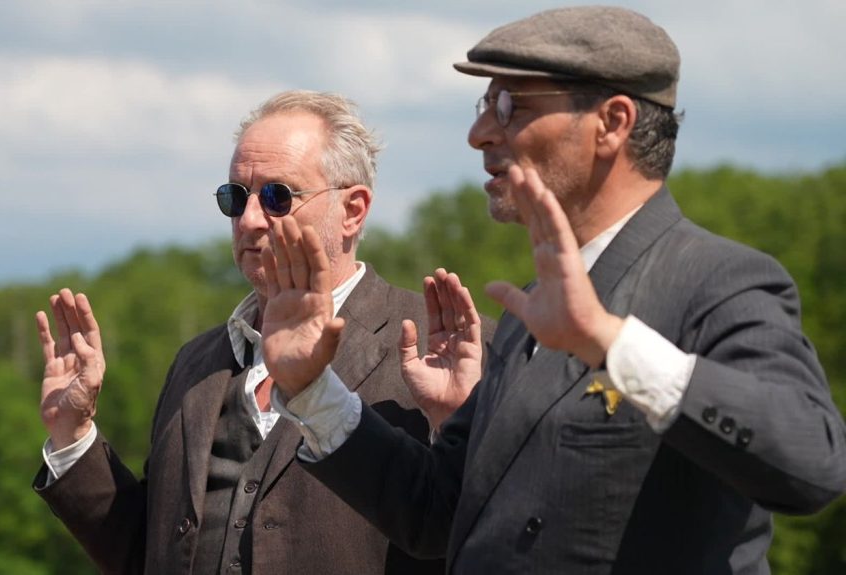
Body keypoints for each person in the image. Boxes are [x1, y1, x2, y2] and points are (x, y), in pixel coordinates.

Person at [261, 6, 846, 574]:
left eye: (511, 105)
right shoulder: (529, 316)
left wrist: (612, 343)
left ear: (612, 123)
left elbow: (812, 464)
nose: (479, 133)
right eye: (483, 104)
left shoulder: (717, 281)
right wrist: (312, 390)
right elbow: (437, 514)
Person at [32, 90, 493, 575]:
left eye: (277, 196)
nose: (249, 220)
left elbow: (476, 531)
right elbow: (147, 555)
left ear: (353, 210)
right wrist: (73, 436)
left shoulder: (446, 349)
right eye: (235, 197)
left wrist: (452, 424)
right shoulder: (197, 361)